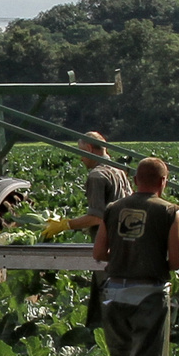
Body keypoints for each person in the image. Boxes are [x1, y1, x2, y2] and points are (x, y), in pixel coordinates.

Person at [92, 157, 179, 356]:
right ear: (163, 182)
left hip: (113, 294)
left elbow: (100, 253)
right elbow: (177, 261)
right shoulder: (170, 212)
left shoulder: (113, 209)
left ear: (135, 181)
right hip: (148, 296)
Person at [39, 131, 131, 329]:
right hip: (125, 240)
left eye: (81, 152)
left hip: (107, 246)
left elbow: (97, 217)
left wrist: (66, 224)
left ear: (89, 149)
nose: (81, 158)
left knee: (108, 293)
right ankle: (98, 331)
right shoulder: (118, 170)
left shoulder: (97, 176)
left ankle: (108, 335)